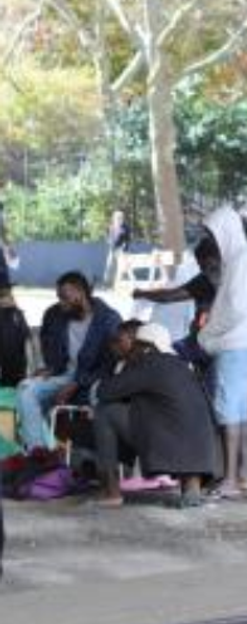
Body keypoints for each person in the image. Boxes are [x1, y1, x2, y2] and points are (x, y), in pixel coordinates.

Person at [92, 323, 217, 508]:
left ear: (147, 346)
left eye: (137, 345)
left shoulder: (148, 362)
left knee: (106, 412)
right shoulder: (183, 365)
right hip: (203, 450)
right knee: (176, 419)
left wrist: (122, 370)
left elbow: (105, 392)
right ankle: (192, 486)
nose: (133, 350)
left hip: (171, 441)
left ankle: (111, 491)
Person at [198, 207, 247, 498]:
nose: (211, 241)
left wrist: (207, 333)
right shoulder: (246, 258)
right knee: (238, 409)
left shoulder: (241, 261)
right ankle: (241, 474)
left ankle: (229, 480)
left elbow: (235, 308)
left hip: (233, 343)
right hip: (244, 342)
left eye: (212, 234)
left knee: (227, 410)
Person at [16, 271, 121, 451]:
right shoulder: (54, 314)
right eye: (59, 298)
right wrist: (51, 368)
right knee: (26, 389)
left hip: (93, 382)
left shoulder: (108, 319)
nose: (61, 304)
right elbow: (48, 344)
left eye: (64, 297)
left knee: (97, 405)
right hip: (63, 374)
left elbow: (109, 366)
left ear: (80, 292)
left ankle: (89, 458)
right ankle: (39, 454)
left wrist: (77, 383)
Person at [133, 239, 221, 369]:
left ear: (220, 260)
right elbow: (169, 296)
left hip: (221, 346)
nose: (206, 272)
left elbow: (169, 296)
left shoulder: (237, 281)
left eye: (209, 267)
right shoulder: (204, 280)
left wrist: (142, 293)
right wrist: (143, 294)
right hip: (199, 342)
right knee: (164, 357)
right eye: (202, 268)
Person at [104, 210, 132, 288]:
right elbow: (107, 236)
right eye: (118, 217)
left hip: (122, 250)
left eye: (121, 217)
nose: (119, 219)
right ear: (114, 218)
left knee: (123, 267)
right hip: (112, 249)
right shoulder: (110, 227)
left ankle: (123, 284)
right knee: (109, 266)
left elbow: (128, 239)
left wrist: (124, 248)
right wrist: (108, 241)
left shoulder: (126, 227)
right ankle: (107, 284)